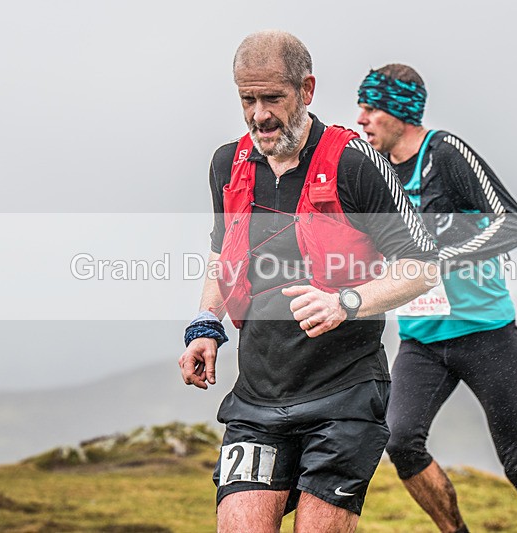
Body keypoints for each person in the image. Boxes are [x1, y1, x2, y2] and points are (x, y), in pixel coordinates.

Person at [178, 33, 441, 533]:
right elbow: (222, 251)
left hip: (344, 398)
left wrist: (348, 301)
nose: (259, 115)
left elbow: (421, 266)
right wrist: (205, 323)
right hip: (256, 399)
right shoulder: (227, 165)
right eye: (247, 100)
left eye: (272, 98)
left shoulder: (357, 163)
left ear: (307, 89)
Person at [356, 64, 517, 533]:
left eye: (371, 107)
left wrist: (439, 259)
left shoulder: (445, 153)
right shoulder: (375, 172)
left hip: (486, 334)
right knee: (400, 441)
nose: (362, 118)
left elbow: (514, 223)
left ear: (400, 111)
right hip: (421, 341)